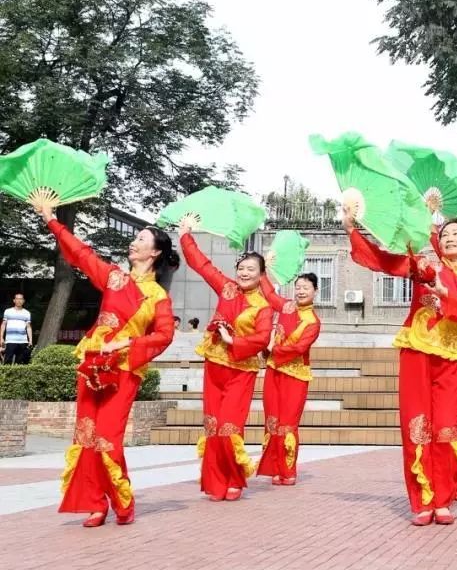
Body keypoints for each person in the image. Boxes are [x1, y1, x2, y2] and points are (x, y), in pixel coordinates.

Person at [39, 205, 178, 527]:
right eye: (135, 238)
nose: (134, 242)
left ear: (155, 252)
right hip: (93, 364)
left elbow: (165, 336)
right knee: (86, 435)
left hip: (124, 370)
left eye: (141, 239)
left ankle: (121, 502)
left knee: (107, 438)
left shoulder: (158, 296)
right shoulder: (114, 277)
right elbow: (81, 253)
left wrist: (127, 343)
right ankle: (95, 504)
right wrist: (50, 219)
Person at [346, 216, 457, 526]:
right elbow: (384, 261)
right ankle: (423, 500)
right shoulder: (425, 266)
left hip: (452, 359)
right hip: (416, 351)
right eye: (445, 234)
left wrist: (444, 293)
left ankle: (443, 498)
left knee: (448, 429)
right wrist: (351, 229)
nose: (450, 238)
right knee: (417, 427)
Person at [180, 225, 273, 502]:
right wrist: (185, 234)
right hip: (214, 365)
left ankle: (234, 478)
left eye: (251, 269)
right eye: (241, 268)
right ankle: (215, 481)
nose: (244, 273)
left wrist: (233, 341)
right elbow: (201, 264)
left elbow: (263, 338)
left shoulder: (263, 307)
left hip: (240, 370)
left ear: (261, 275)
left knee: (229, 426)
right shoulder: (227, 288)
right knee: (212, 425)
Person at [256, 272, 322, 485]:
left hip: (295, 375)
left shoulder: (313, 322)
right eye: (298, 287)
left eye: (306, 288)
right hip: (274, 371)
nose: (301, 291)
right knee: (272, 422)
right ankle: (275, 468)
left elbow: (299, 348)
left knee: (288, 424)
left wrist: (273, 348)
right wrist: (262, 270)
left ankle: (288, 470)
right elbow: (268, 292)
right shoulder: (285, 306)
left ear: (315, 291)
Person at [1, 293, 33, 364]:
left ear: (23, 301)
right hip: (10, 340)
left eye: (21, 299)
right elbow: (3, 325)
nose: (19, 301)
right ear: (14, 300)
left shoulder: (27, 313)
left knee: (20, 363)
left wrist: (30, 340)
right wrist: (1, 338)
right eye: (17, 299)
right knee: (7, 362)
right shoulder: (8, 311)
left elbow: (28, 327)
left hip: (23, 341)